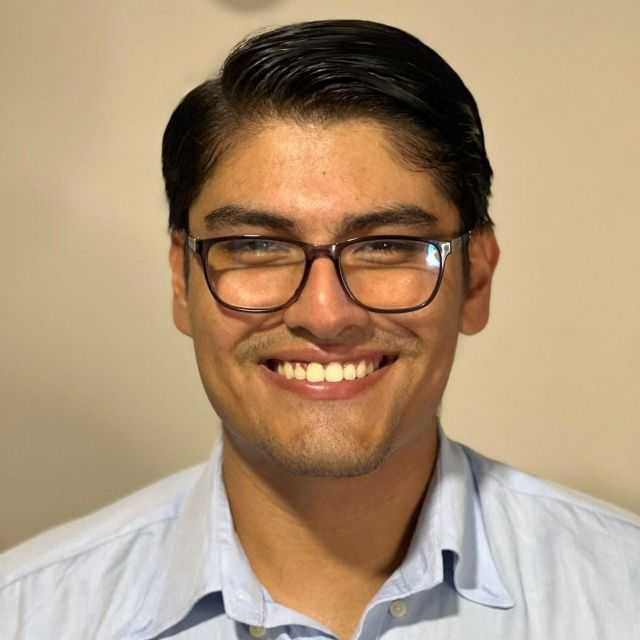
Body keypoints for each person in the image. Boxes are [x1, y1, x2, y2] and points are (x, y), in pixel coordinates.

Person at [1, 18, 638, 640]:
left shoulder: (621, 593)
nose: (325, 314)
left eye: (387, 246)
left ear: (476, 280)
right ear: (181, 280)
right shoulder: (26, 615)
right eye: (257, 246)